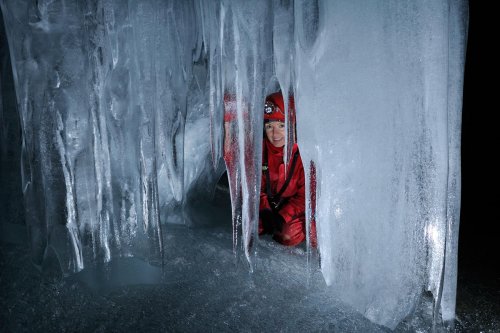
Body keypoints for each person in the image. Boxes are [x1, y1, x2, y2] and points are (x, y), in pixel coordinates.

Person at [259, 91, 316, 247]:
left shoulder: (305, 154)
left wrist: (283, 216)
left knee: (289, 234)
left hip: (295, 210)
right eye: (269, 126)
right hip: (269, 207)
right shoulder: (260, 150)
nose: (275, 134)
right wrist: (265, 210)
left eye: (281, 126)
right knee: (251, 226)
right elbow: (254, 186)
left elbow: (306, 196)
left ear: (292, 127)